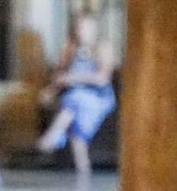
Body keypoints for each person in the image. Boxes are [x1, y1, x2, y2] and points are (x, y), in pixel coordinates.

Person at [35, 13, 118, 180]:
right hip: (74, 96)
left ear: (94, 30)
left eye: (85, 28)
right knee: (75, 123)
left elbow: (102, 79)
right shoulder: (70, 48)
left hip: (98, 97)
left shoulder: (103, 48)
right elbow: (60, 74)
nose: (81, 32)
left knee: (74, 102)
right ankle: (83, 171)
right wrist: (51, 89)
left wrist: (74, 78)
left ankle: (55, 133)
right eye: (79, 28)